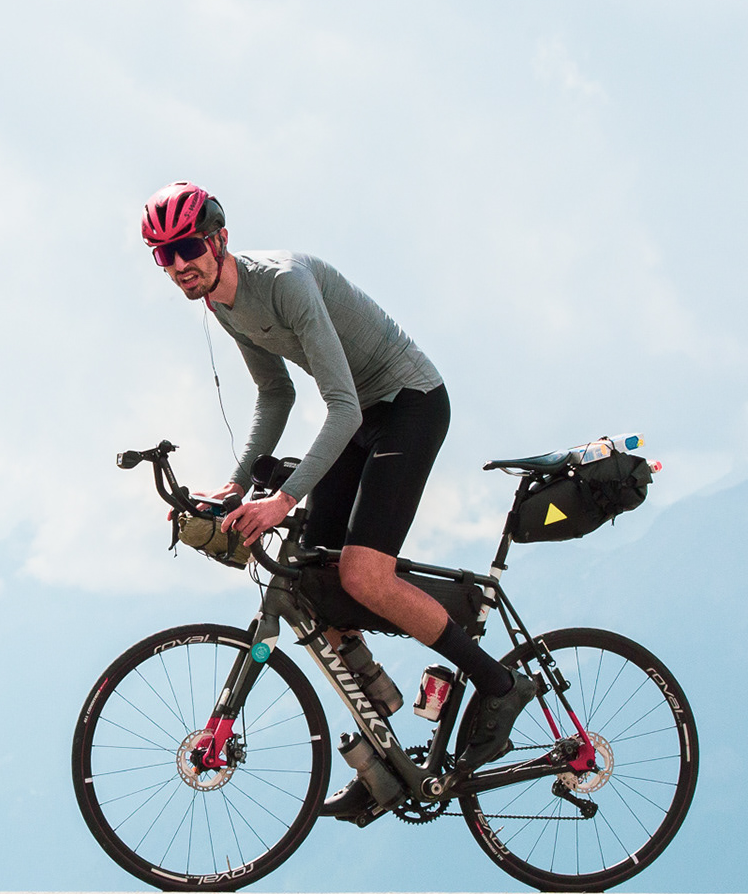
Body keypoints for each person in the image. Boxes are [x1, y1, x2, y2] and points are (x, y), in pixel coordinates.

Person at [140, 181, 535, 818]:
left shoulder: (285, 284)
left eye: (187, 247)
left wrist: (282, 500)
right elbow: (276, 395)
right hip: (360, 417)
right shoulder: (220, 304)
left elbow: (343, 407)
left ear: (218, 239)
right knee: (313, 582)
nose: (179, 263)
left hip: (408, 403)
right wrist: (235, 487)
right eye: (165, 254)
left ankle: (499, 683)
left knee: (363, 574)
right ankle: (385, 759)